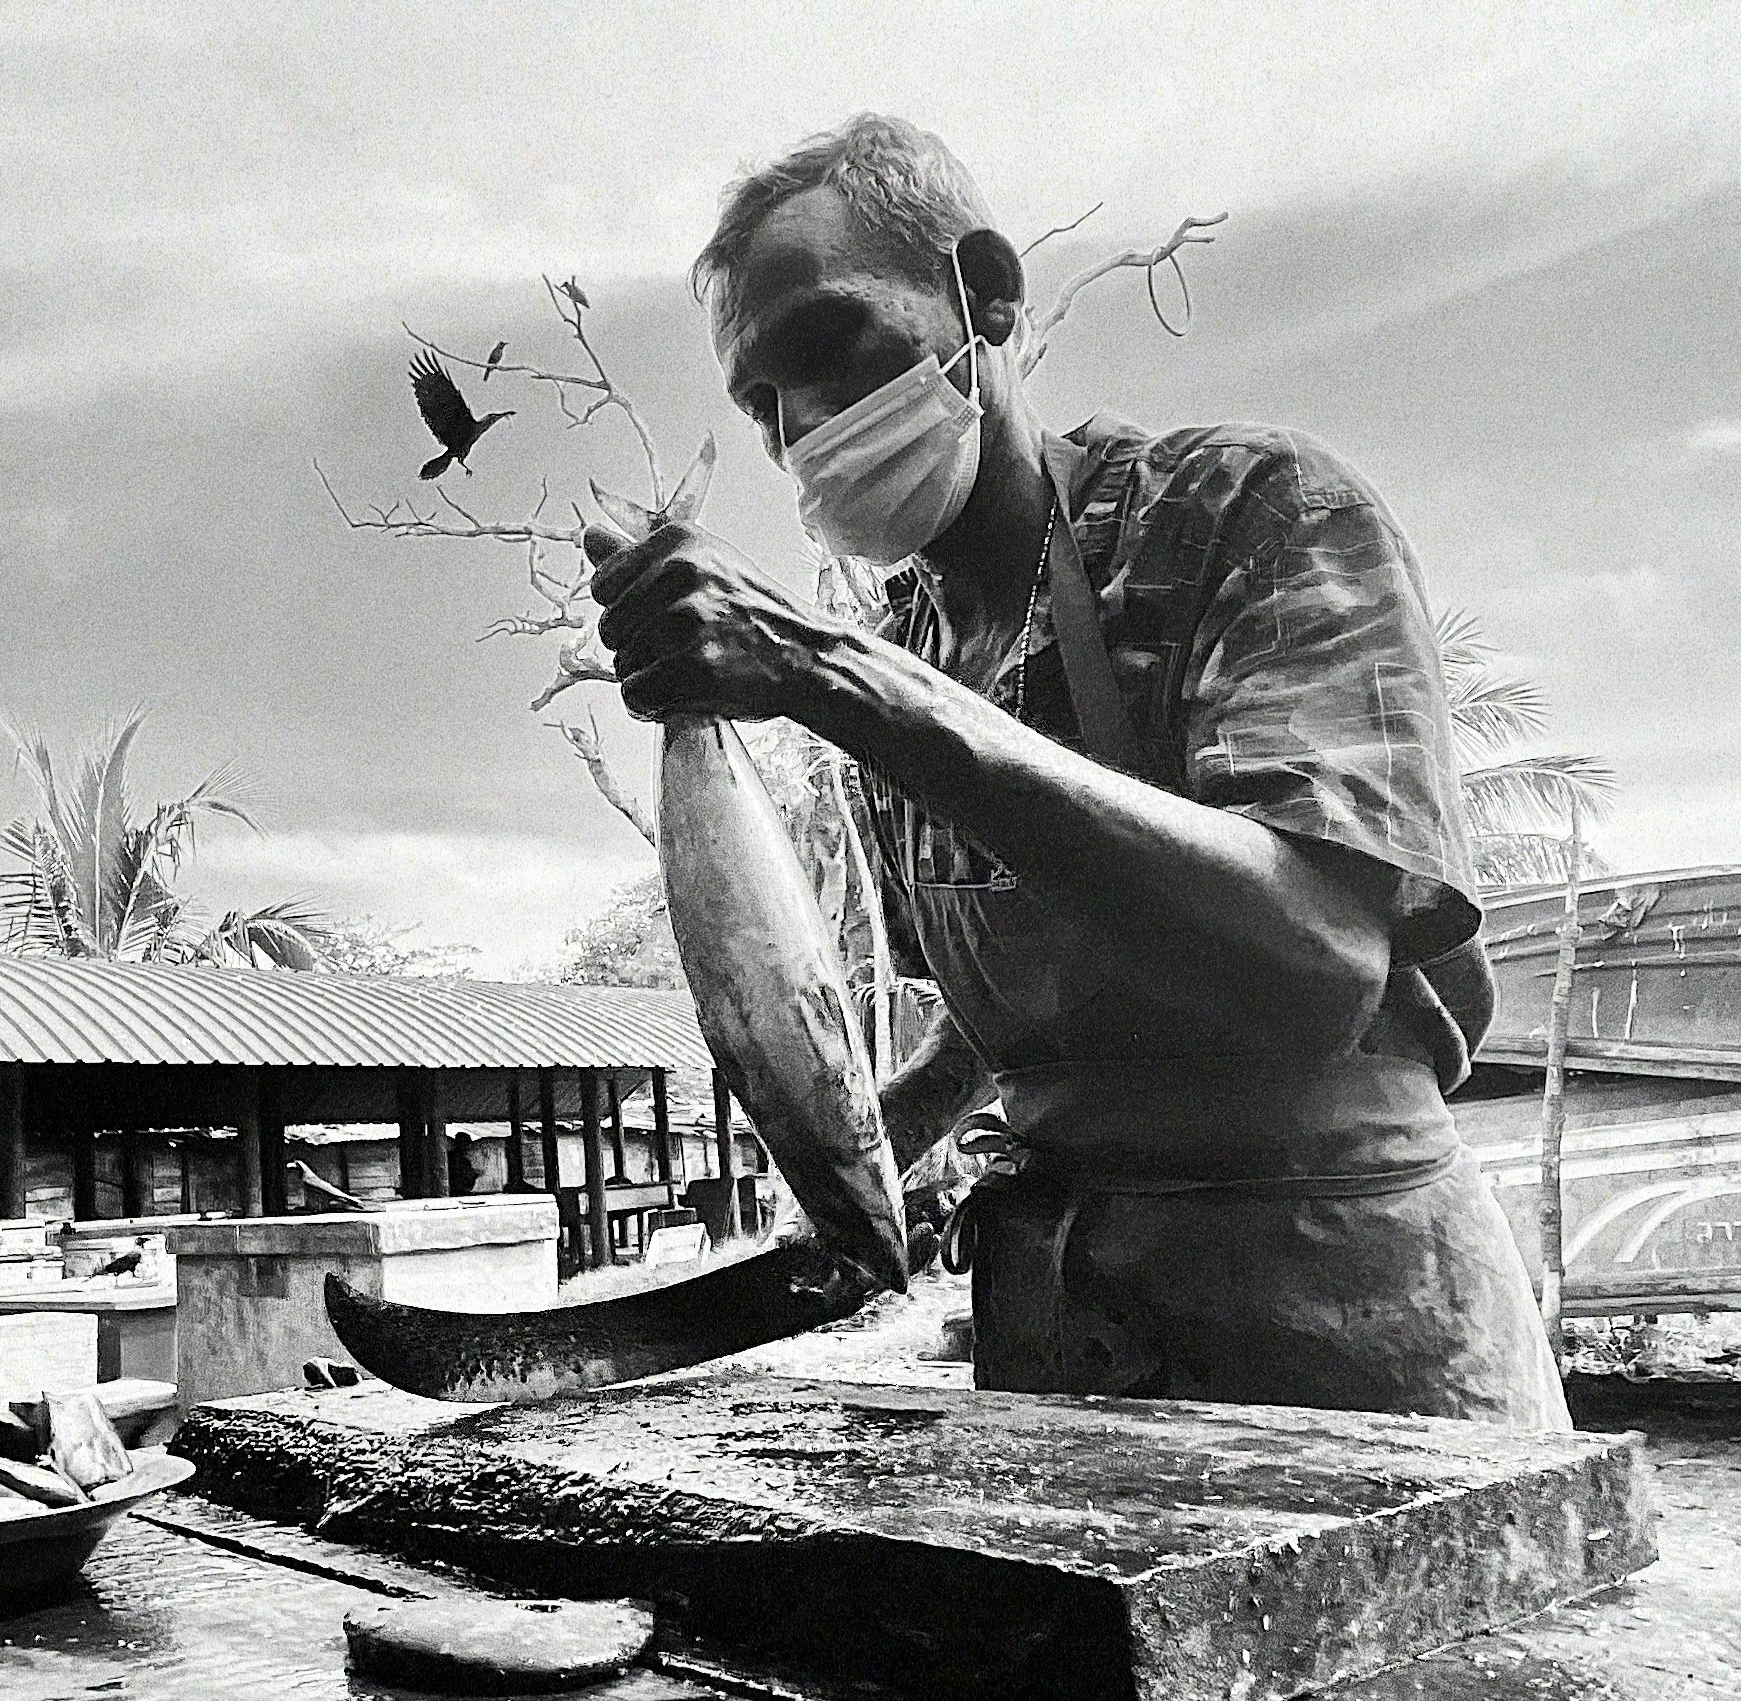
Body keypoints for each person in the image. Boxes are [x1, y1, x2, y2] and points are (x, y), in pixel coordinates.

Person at [589, 115, 1567, 1431]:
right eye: (761, 405)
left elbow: (1317, 962)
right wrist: (853, 1157)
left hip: (1341, 1319)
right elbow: (997, 1025)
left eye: (826, 348)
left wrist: (833, 679)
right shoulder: (907, 651)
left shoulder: (1248, 510)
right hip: (1062, 1333)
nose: (800, 424)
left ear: (980, 292)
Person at [447, 1132, 482, 1199]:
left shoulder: (451, 1158)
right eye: (465, 1145)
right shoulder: (459, 1161)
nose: (467, 1148)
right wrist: (474, 1175)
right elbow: (467, 1183)